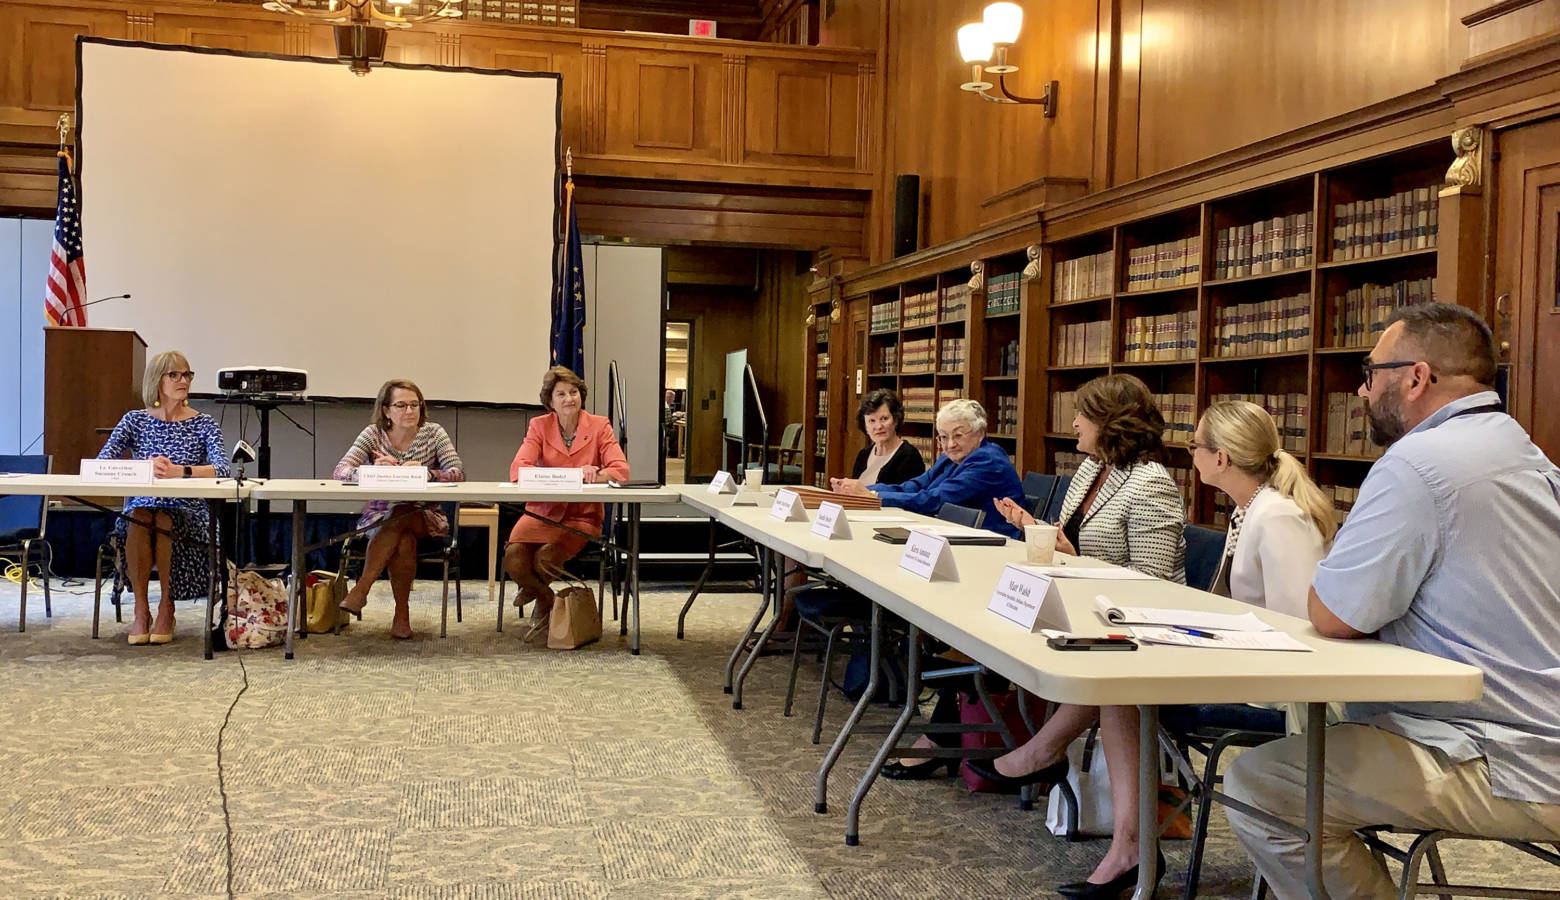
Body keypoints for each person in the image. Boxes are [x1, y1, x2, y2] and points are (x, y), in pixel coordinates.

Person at [1225, 303, 1560, 899]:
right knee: (1314, 720)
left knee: (1262, 785)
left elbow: (1333, 614)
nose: (1359, 387)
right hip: (1535, 731)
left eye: (1370, 370)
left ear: (1416, 377)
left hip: (1496, 751)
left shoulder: (1416, 465)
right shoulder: (1526, 454)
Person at [949, 374, 1187, 897]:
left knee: (1115, 687)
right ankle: (1045, 759)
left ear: (1110, 422)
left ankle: (1114, 832)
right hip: (1091, 619)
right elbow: (1073, 542)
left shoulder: (1150, 483)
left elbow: (1149, 583)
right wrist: (1038, 530)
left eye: (1083, 415)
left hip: (1146, 635)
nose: (1074, 423)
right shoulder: (1090, 470)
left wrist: (1073, 557)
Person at [97, 350, 230, 646]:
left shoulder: (204, 423)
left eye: (187, 374)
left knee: (164, 517)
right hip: (142, 509)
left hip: (190, 511)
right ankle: (141, 609)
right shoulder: (135, 420)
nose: (183, 381)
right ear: (157, 380)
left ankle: (166, 608)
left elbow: (223, 468)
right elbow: (102, 462)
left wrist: (179, 471)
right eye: (175, 375)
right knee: (142, 515)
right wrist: (144, 467)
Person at [333, 379, 465, 639]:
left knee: (401, 512)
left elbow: (457, 472)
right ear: (386, 410)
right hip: (378, 517)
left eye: (415, 404)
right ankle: (401, 615)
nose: (409, 411)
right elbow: (341, 471)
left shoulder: (434, 433)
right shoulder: (373, 434)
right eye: (401, 405)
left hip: (425, 516)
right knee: (402, 538)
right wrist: (371, 470)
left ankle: (362, 589)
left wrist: (427, 474)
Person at [504, 366, 629, 631]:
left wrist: (598, 473)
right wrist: (571, 474)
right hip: (541, 511)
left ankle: (538, 597)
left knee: (545, 558)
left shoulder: (598, 425)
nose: (568, 398)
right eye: (561, 394)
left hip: (582, 516)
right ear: (550, 401)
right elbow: (518, 469)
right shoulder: (539, 425)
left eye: (573, 392)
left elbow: (621, 470)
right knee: (513, 558)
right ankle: (544, 595)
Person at [833, 398, 1023, 538]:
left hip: (991, 545)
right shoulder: (950, 458)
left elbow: (934, 500)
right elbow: (915, 486)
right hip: (956, 536)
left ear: (980, 433)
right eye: (943, 436)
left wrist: (872, 497)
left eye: (958, 435)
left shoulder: (988, 461)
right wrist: (863, 491)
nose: (950, 444)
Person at [832, 388, 926, 489]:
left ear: (896, 420)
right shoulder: (863, 455)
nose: (878, 426)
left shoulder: (909, 456)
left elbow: (905, 498)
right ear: (865, 426)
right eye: (872, 421)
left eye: (884, 419)